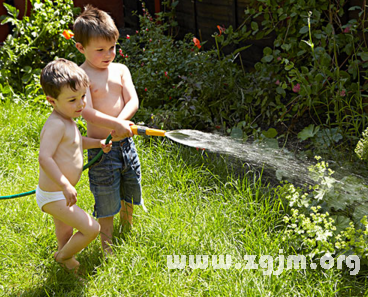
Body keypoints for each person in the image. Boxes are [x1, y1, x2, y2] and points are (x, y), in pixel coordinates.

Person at [73, 5, 145, 255]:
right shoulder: (82, 76)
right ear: (80, 48)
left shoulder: (121, 70)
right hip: (102, 150)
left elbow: (133, 101)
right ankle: (107, 246)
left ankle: (128, 229)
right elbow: (87, 112)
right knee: (106, 197)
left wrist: (120, 123)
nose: (108, 54)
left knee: (130, 187)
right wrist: (115, 126)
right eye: (100, 50)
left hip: (126, 146)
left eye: (112, 47)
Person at [37, 58, 112, 272]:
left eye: (82, 97)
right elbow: (45, 158)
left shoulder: (68, 121)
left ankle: (68, 267)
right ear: (52, 101)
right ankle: (62, 257)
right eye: (72, 100)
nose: (80, 104)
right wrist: (65, 185)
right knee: (91, 228)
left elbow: (78, 143)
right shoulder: (55, 125)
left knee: (65, 233)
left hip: (59, 194)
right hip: (55, 194)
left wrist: (98, 143)